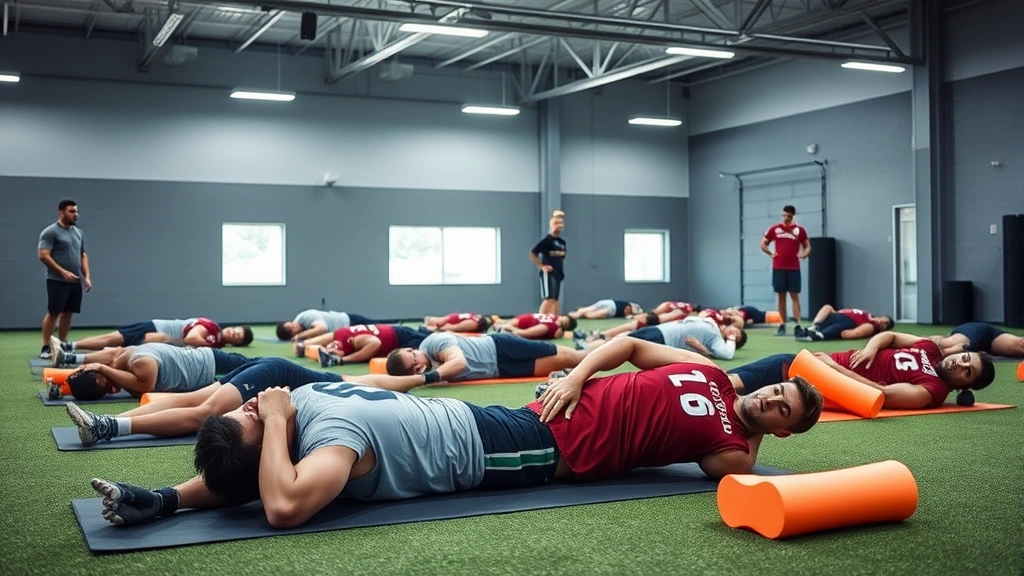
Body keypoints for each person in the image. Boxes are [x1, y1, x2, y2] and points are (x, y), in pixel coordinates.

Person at [87, 337, 822, 529]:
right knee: (550, 437)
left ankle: (162, 498)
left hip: (490, 423)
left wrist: (170, 497)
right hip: (506, 440)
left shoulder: (300, 416)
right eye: (250, 419)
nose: (252, 407)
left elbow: (253, 477)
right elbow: (279, 501)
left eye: (781, 404)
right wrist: (274, 420)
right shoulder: (321, 441)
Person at [63, 357, 427, 447]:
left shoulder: (348, 385)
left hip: (268, 368)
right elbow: (383, 381)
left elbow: (382, 381)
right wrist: (423, 378)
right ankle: (105, 427)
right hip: (273, 373)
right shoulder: (352, 384)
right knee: (205, 413)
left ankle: (107, 420)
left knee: (189, 400)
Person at [726, 331, 995, 409]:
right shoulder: (931, 348)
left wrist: (833, 369)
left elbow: (882, 394)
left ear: (965, 385)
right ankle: (721, 384)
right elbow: (890, 336)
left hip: (832, 378)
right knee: (778, 365)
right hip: (830, 362)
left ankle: (721, 384)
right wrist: (871, 348)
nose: (959, 363)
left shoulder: (932, 390)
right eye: (965, 358)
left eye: (967, 371)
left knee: (781, 365)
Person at [382, 332, 588, 390]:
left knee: (571, 357)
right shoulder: (427, 372)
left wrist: (428, 377)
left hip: (501, 346)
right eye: (414, 368)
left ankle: (599, 349)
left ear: (411, 349)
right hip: (501, 369)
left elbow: (459, 362)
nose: (419, 364)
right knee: (560, 362)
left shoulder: (433, 342)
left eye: (414, 357)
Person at [51, 340, 252, 400]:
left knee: (264, 372)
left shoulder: (139, 362)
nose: (112, 389)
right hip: (210, 370)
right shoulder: (122, 359)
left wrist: (103, 368)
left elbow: (145, 386)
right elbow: (111, 356)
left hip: (214, 367)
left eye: (107, 384)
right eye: (106, 391)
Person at [38, 199, 91, 359]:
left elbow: (83, 255)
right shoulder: (50, 232)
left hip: (74, 281)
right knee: (54, 312)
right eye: (72, 211)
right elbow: (43, 255)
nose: (76, 214)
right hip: (56, 280)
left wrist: (87, 276)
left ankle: (62, 345)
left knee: (68, 312)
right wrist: (62, 272)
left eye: (76, 211)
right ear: (61, 212)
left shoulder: (78, 233)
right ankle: (46, 347)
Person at [583, 316, 747, 360]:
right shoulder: (712, 323)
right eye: (735, 330)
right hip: (661, 329)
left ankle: (585, 353)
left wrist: (731, 339)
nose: (733, 331)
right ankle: (587, 348)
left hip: (664, 340)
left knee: (620, 343)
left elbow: (727, 355)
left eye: (736, 334)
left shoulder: (716, 340)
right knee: (623, 337)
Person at [55, 318, 253, 352]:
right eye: (235, 330)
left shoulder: (217, 346)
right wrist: (166, 339)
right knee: (112, 339)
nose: (232, 333)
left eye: (236, 337)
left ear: (235, 343)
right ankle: (69, 346)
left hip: (159, 343)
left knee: (117, 351)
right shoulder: (212, 327)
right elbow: (192, 339)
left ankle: (71, 353)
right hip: (155, 328)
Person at [761, 205, 810, 336]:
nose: (787, 218)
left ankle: (798, 325)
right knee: (781, 296)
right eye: (785, 215)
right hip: (779, 268)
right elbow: (763, 243)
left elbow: (807, 246)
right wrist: (770, 253)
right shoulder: (774, 229)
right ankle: (782, 325)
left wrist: (804, 254)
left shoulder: (799, 230)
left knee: (794, 296)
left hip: (793, 268)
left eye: (789, 216)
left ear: (793, 216)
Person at [290, 324, 426, 367]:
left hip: (400, 337)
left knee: (429, 350)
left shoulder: (350, 340)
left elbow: (375, 343)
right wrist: (303, 344)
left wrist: (343, 360)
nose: (331, 350)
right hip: (395, 334)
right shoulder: (339, 334)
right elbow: (320, 339)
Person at [530, 210, 567, 316]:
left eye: (561, 223)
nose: (559, 226)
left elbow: (561, 257)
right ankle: (538, 319)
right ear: (552, 224)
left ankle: (555, 320)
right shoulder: (547, 240)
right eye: (556, 223)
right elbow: (533, 253)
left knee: (555, 299)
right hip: (549, 273)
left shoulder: (562, 242)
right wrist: (542, 266)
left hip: (558, 273)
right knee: (549, 298)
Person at [795, 305, 893, 342]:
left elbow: (854, 333)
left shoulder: (872, 326)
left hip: (846, 322)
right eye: (885, 320)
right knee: (827, 307)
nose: (883, 322)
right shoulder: (869, 315)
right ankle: (813, 327)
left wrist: (846, 334)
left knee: (843, 323)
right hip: (836, 315)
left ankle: (817, 335)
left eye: (886, 324)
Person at [276, 310, 385, 342]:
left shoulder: (306, 316)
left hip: (349, 321)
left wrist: (300, 336)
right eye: (292, 330)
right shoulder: (299, 331)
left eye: (292, 325)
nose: (295, 326)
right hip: (344, 332)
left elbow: (322, 328)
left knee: (378, 327)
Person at [930, 322, 1024, 358]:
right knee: (946, 345)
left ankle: (936, 345)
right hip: (980, 332)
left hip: (985, 342)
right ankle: (924, 344)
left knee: (947, 345)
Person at [494, 313, 577, 340]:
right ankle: (504, 326)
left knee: (517, 330)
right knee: (519, 331)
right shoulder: (554, 323)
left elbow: (558, 334)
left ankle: (504, 326)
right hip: (530, 320)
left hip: (530, 320)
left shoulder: (553, 325)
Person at [568, 299, 643, 320]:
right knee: (593, 314)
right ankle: (577, 315)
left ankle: (574, 314)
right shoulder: (628, 306)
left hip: (606, 302)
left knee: (590, 309)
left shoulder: (626, 304)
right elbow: (626, 311)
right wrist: (629, 316)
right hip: (611, 307)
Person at [421, 313, 494, 333]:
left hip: (448, 322)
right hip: (447, 323)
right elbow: (454, 328)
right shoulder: (473, 322)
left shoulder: (474, 320)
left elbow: (454, 328)